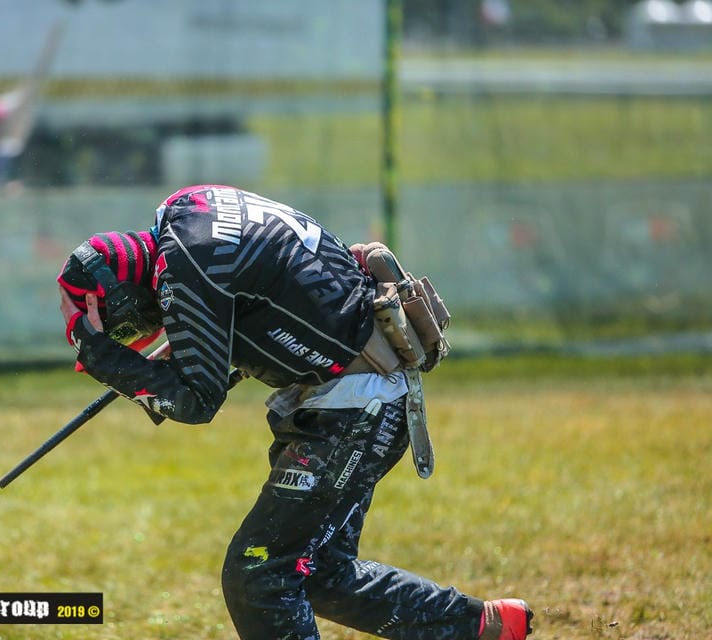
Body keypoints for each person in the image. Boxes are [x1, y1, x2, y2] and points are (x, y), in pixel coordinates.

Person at [56, 184, 533, 640]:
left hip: (360, 401)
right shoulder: (189, 211)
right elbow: (268, 286)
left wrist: (100, 354)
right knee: (318, 573)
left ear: (124, 298)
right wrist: (193, 338)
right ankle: (486, 626)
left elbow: (196, 402)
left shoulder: (184, 265)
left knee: (259, 574)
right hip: (367, 385)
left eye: (123, 328)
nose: (138, 332)